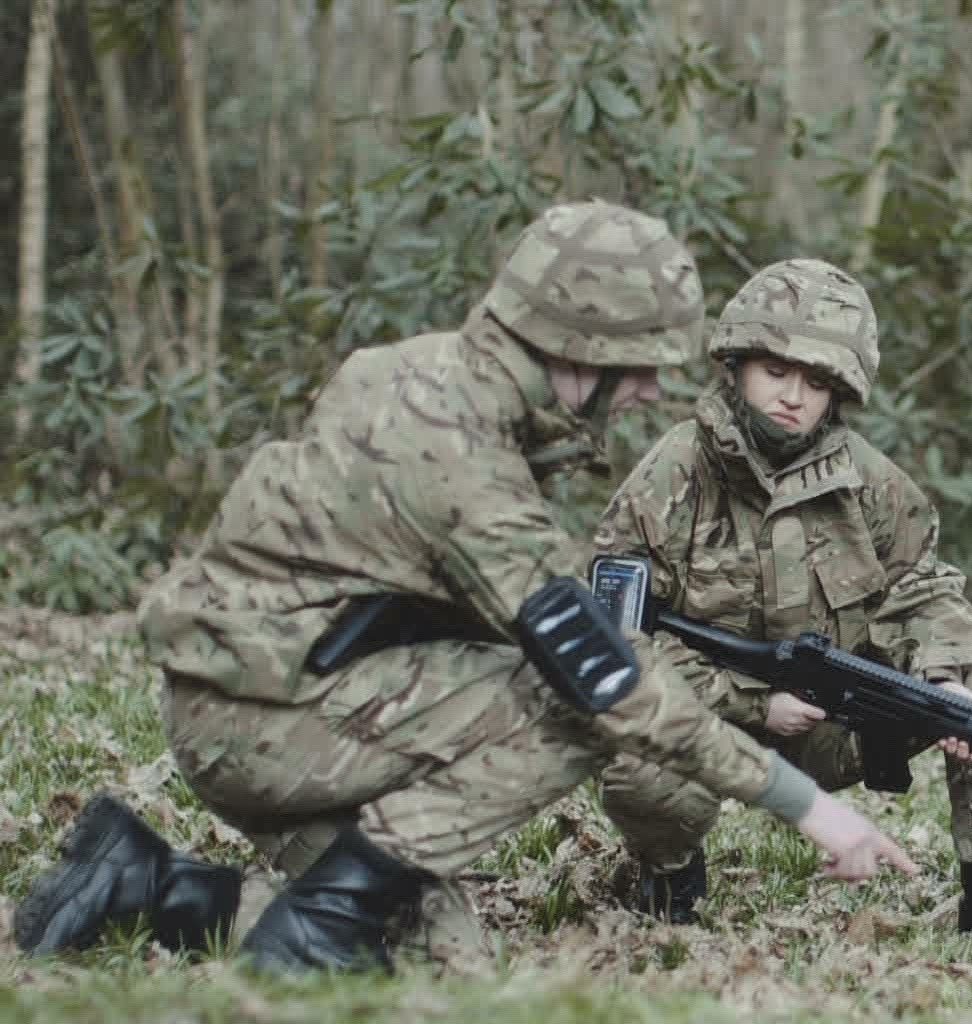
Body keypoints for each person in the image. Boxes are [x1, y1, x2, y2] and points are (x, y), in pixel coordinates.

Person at [12, 202, 913, 975]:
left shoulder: (414, 369)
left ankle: (146, 885)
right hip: (263, 719)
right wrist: (809, 806)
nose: (647, 390)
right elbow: (608, 680)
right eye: (638, 363)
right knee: (578, 703)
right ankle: (320, 925)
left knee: (439, 958)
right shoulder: (460, 460)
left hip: (289, 696)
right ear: (578, 347)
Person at [590, 257, 972, 952]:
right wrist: (750, 703)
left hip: (841, 724)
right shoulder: (674, 473)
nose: (793, 397)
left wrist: (944, 680)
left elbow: (925, 587)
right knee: (637, 750)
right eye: (777, 371)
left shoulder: (868, 480)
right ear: (736, 364)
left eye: (816, 382)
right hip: (714, 729)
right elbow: (615, 635)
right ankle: (669, 880)